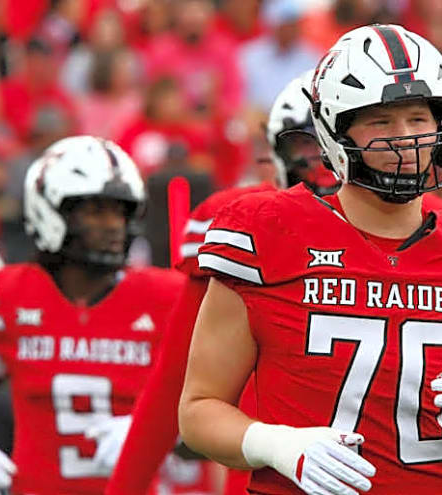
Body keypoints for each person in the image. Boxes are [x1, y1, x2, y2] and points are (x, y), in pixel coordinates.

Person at [179, 24, 442, 495]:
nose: (404, 139)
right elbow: (199, 409)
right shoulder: (269, 230)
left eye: (419, 119)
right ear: (335, 131)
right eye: (380, 121)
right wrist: (275, 443)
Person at [106, 71, 341, 495]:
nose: (324, 160)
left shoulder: (431, 226)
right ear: (277, 150)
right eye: (307, 143)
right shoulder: (242, 223)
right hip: (265, 472)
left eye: (335, 137)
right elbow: (174, 380)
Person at [0, 135, 184, 494]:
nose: (113, 225)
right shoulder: (6, 295)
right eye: (95, 210)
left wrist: (158, 433)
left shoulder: (165, 296)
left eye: (120, 211)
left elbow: (217, 415)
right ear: (51, 210)